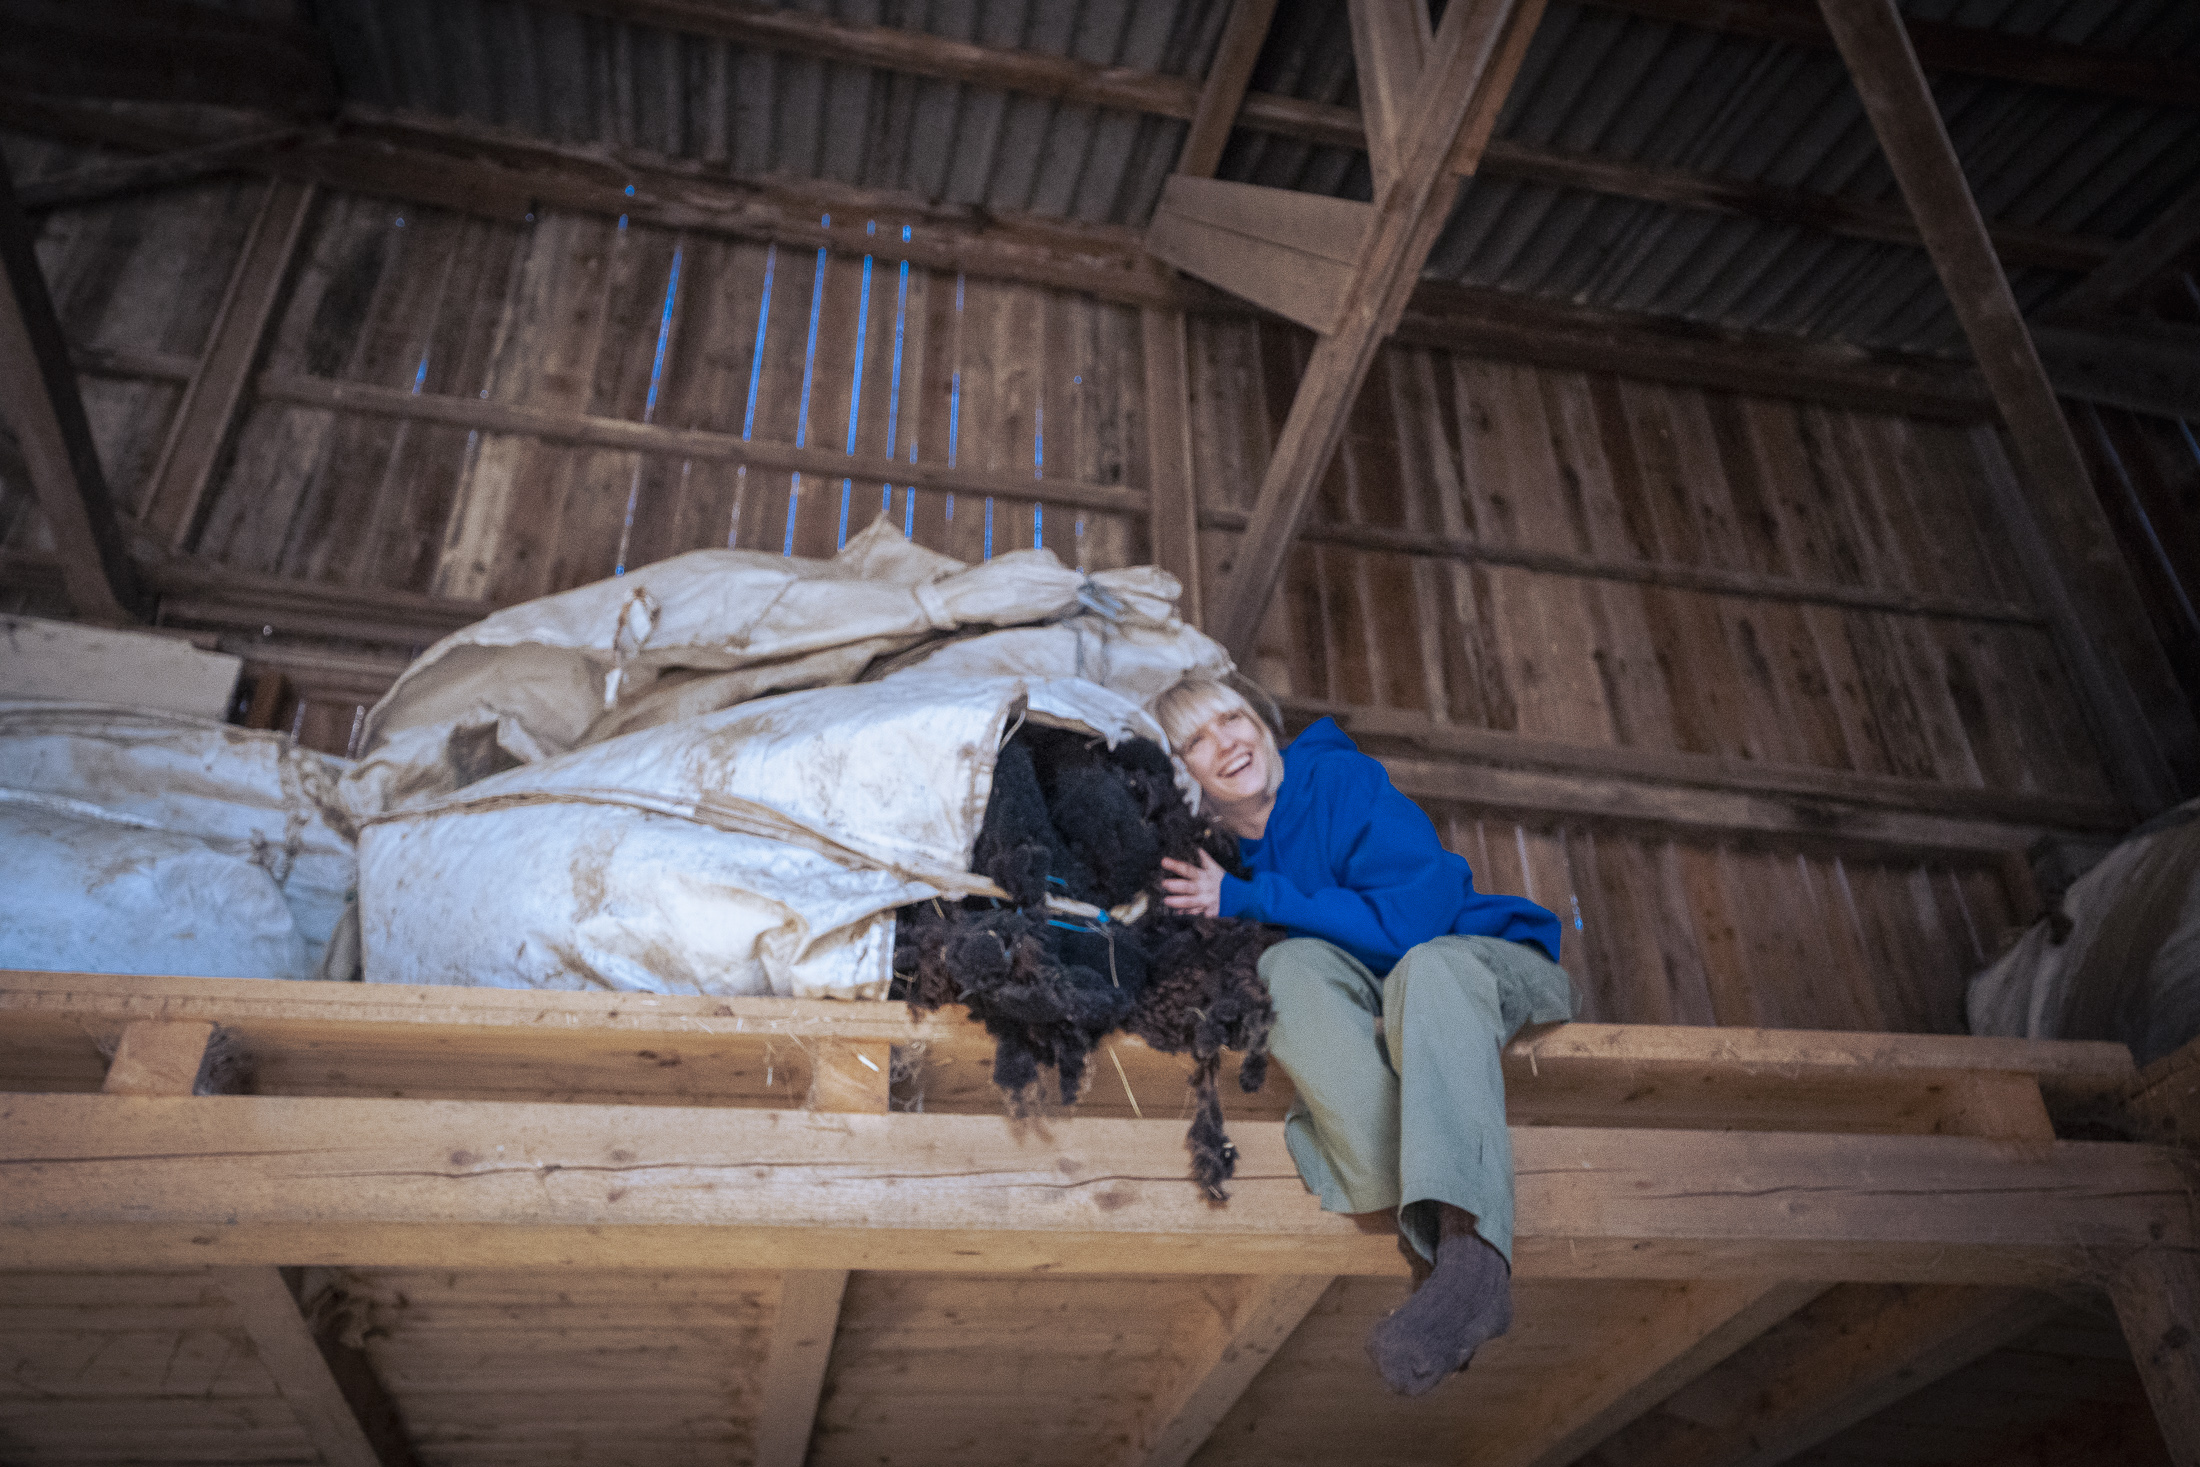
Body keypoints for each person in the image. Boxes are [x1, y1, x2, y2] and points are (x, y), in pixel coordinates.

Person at [1151, 678, 1575, 1396]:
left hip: (1482, 966)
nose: (1226, 742)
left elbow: (1416, 927)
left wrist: (1254, 897)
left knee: (1427, 969)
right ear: (1181, 775)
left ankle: (1473, 1258)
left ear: (1261, 724)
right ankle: (1429, 1237)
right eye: (1197, 739)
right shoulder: (1222, 867)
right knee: (1282, 967)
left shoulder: (1338, 780)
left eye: (1233, 717)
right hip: (1394, 999)